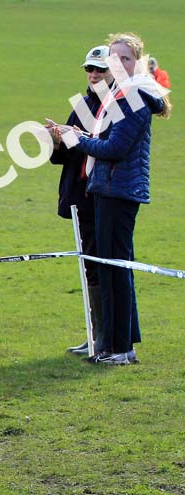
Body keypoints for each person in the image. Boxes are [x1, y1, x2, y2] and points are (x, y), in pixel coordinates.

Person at [57, 32, 171, 365]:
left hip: (119, 192)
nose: (118, 64)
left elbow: (115, 148)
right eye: (114, 58)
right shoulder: (122, 94)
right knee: (111, 270)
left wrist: (77, 141)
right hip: (108, 190)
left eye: (125, 59)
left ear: (136, 62)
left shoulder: (134, 96)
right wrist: (78, 136)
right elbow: (105, 139)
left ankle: (120, 349)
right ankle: (113, 344)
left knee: (115, 270)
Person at [47, 45, 109, 356]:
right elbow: (67, 155)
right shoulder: (85, 104)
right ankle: (96, 334)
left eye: (100, 69)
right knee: (89, 267)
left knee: (98, 266)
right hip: (78, 195)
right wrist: (57, 141)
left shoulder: (114, 107)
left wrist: (77, 137)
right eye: (90, 69)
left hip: (96, 196)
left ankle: (104, 337)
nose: (94, 75)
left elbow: (107, 149)